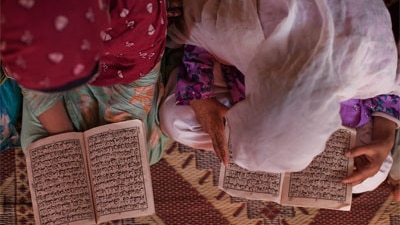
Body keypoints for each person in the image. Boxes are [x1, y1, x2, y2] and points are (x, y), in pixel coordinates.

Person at [160, 0, 400, 195]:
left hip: (342, 101)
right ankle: (267, 144)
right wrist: (200, 98)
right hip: (242, 69)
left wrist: (385, 136)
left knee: (372, 177)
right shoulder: (237, 28)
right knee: (175, 120)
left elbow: (394, 88)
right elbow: (190, 33)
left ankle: (267, 144)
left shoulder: (374, 64)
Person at [0, 0, 173, 165]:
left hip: (125, 71)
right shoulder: (15, 25)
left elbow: (141, 79)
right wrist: (66, 139)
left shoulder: (135, 15)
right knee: (38, 147)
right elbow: (34, 87)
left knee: (143, 152)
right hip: (70, 65)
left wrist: (118, 132)